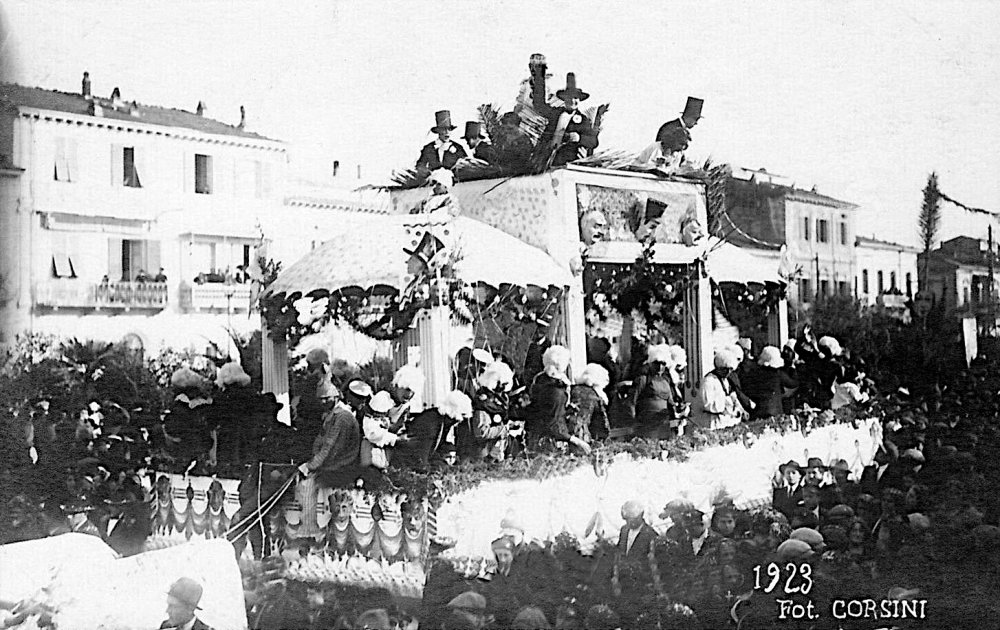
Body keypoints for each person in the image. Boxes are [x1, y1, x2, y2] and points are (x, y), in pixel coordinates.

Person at [526, 346, 591, 454]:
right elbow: (552, 423)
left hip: (536, 436)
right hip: (551, 443)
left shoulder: (540, 382)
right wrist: (575, 440)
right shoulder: (554, 391)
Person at [297, 380, 361, 489]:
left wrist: (310, 466)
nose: (323, 402)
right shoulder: (332, 415)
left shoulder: (342, 417)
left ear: (336, 397)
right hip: (332, 467)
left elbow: (330, 447)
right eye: (320, 399)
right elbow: (321, 440)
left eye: (327, 398)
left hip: (341, 469)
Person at [393, 390, 472, 472]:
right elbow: (421, 454)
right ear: (452, 413)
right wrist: (427, 471)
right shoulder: (431, 422)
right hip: (407, 461)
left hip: (421, 456)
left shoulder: (442, 421)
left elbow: (438, 445)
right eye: (458, 418)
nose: (459, 421)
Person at [541, 73, 599, 167]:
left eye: (575, 97)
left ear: (579, 100)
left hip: (568, 162)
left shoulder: (583, 120)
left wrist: (579, 138)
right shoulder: (556, 114)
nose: (572, 101)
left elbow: (593, 141)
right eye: (569, 97)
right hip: (548, 160)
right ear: (564, 99)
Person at [630, 343, 688, 437]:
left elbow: (670, 404)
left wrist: (679, 412)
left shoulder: (666, 381)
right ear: (651, 363)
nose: (660, 367)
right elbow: (632, 401)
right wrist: (634, 422)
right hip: (647, 423)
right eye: (657, 363)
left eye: (663, 364)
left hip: (664, 423)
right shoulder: (643, 379)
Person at [692, 350, 747, 430]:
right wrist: (724, 404)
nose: (728, 372)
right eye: (725, 369)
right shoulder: (709, 381)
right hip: (714, 423)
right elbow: (707, 404)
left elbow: (732, 396)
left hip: (726, 422)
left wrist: (740, 409)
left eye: (730, 370)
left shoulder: (725, 380)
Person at [360, 391, 408, 472]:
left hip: (380, 447)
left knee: (382, 462)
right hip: (370, 446)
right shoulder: (369, 421)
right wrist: (394, 438)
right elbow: (375, 435)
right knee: (369, 465)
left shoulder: (382, 419)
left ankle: (382, 471)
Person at [748, 345, 797, 419]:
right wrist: (793, 368)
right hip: (775, 411)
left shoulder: (755, 373)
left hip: (758, 410)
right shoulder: (777, 373)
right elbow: (793, 383)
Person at [566, 363, 611, 444]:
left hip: (568, 434)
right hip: (582, 438)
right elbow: (601, 426)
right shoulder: (593, 396)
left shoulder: (575, 389)